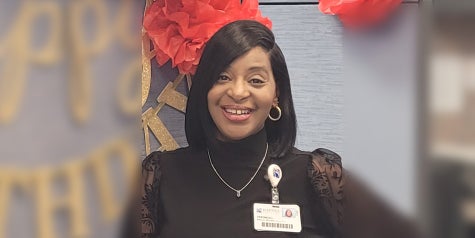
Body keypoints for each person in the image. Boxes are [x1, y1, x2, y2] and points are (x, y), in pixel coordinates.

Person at [130, 20, 420, 238]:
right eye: (222, 77)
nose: (238, 92)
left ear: (276, 95)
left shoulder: (319, 176)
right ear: (205, 88)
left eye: (256, 80)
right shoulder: (160, 175)